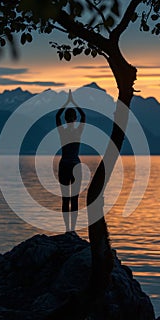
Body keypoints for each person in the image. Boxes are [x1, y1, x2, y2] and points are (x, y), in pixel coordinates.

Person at [56, 90, 86, 232]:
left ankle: (68, 229)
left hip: (65, 165)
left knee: (66, 199)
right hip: (75, 165)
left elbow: (57, 117)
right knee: (74, 199)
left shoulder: (62, 131)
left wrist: (66, 103)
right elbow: (84, 116)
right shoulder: (78, 131)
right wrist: (74, 103)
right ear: (74, 118)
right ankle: (72, 230)